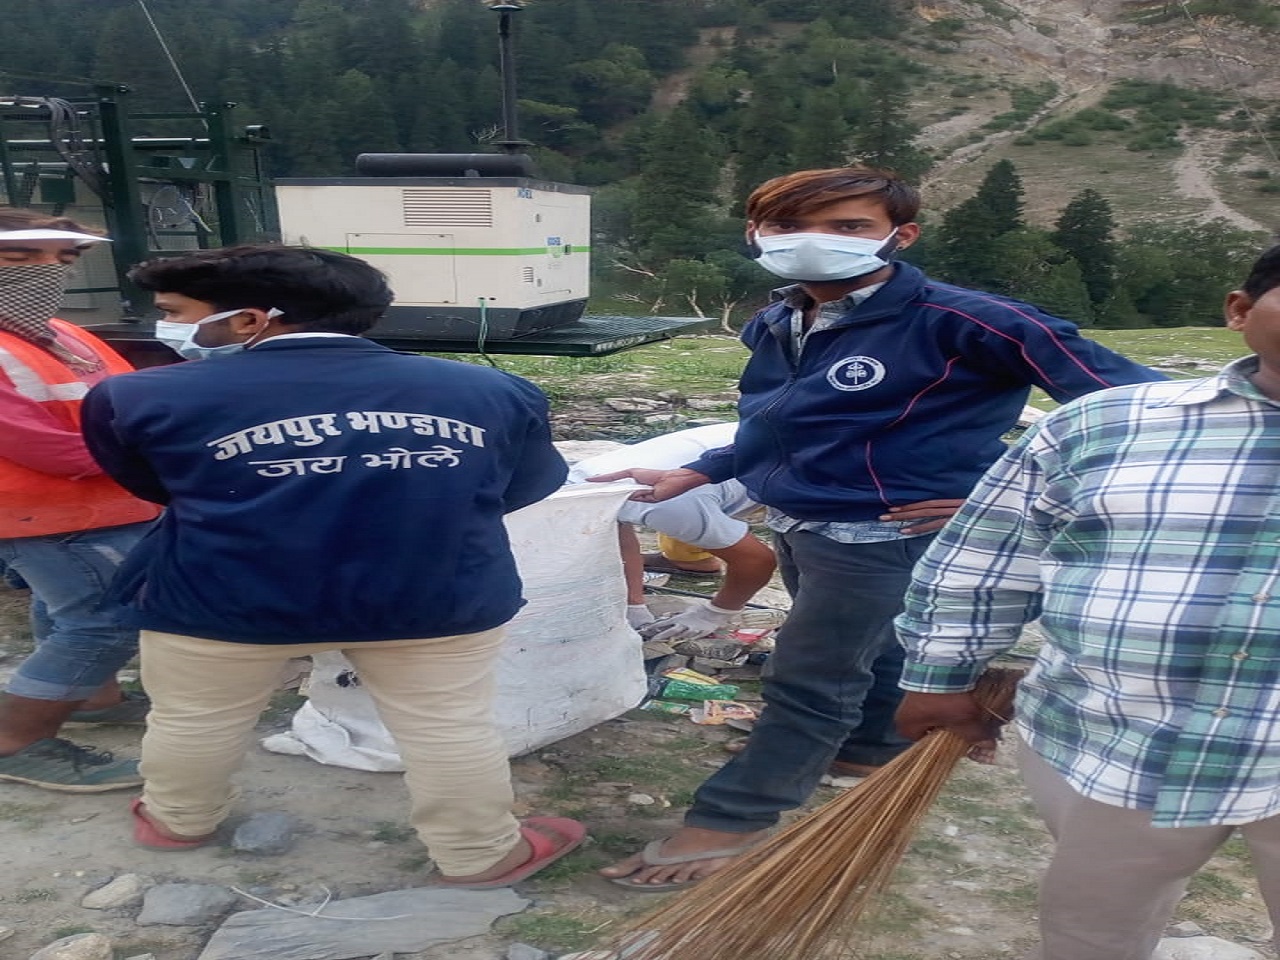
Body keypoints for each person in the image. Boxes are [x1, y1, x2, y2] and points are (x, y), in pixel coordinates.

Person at [595, 165, 1165, 889]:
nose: (816, 241)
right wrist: (703, 469)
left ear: (901, 235)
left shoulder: (967, 320)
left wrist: (1020, 498)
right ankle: (870, 748)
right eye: (790, 225)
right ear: (756, 234)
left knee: (809, 678)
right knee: (880, 648)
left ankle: (730, 821)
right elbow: (782, 422)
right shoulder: (777, 319)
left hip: (889, 534)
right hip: (801, 521)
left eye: (848, 226)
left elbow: (1151, 414)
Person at [79, 244, 584, 886]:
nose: (166, 327)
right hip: (432, 594)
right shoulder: (492, 391)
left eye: (175, 312)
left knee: (193, 718)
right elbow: (523, 485)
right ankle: (480, 855)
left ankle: (178, 821)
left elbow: (154, 484)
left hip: (223, 596)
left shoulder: (135, 396)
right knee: (448, 727)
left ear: (248, 321)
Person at [894, 244, 1280, 960]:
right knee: (1091, 931)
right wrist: (939, 678)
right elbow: (984, 561)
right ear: (1239, 310)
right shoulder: (1101, 426)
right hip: (1114, 742)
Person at [0, 209, 160, 793]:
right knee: (102, 621)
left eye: (62, 258)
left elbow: (129, 400)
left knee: (68, 606)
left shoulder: (62, 333)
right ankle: (16, 741)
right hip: (48, 512)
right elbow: (51, 450)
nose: (47, 271)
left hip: (102, 505)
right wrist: (168, 456)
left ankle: (95, 695)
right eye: (20, 259)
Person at [568, 423, 776, 640]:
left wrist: (716, 613)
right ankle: (695, 561)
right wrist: (633, 606)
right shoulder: (581, 485)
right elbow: (618, 540)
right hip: (724, 457)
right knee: (693, 526)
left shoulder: (659, 505)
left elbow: (757, 560)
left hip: (792, 458)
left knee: (802, 547)